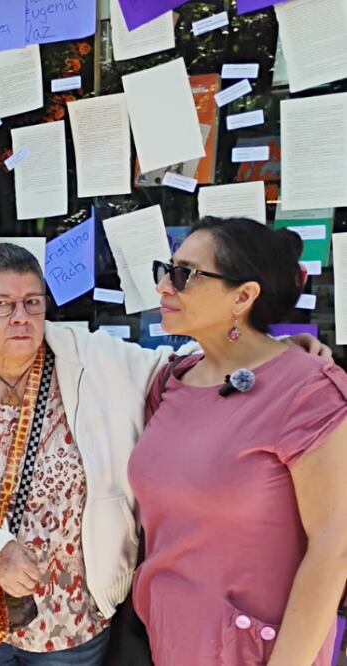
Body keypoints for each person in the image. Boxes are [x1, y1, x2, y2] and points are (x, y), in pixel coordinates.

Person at [0, 243, 331, 665]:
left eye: (32, 303)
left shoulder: (90, 358)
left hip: (75, 614)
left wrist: (265, 353)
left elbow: (179, 365)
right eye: (1, 304)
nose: (21, 317)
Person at [130, 217, 347, 666]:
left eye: (185, 274)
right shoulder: (171, 380)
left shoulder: (309, 390)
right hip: (169, 638)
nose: (164, 287)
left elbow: (334, 547)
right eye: (166, 270)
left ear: (244, 296)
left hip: (256, 649)